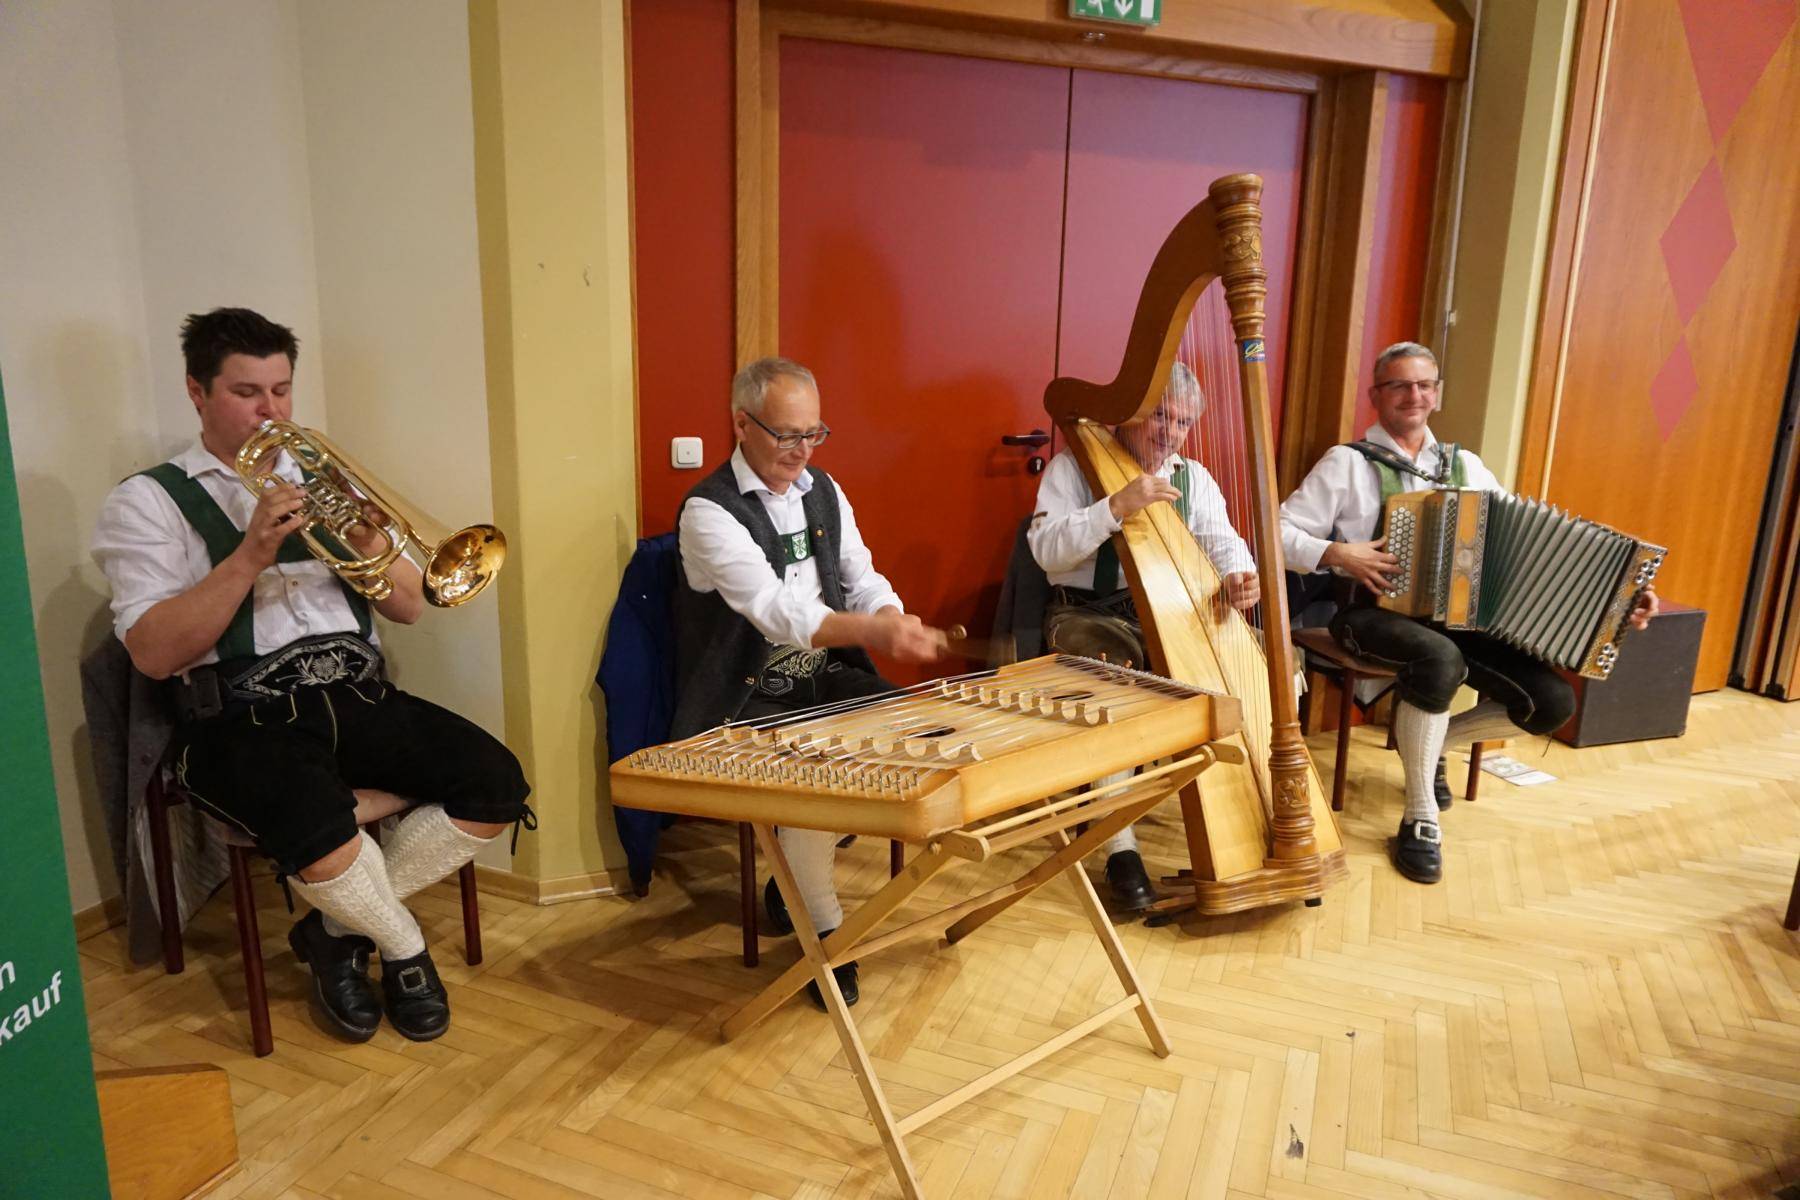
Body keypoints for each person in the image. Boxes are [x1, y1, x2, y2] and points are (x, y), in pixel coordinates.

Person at [92, 308, 530, 1043]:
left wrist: (366, 541)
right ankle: (403, 947)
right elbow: (152, 654)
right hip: (239, 714)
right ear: (196, 392)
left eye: (283, 390)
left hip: (358, 695)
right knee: (315, 821)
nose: (272, 411)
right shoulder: (148, 502)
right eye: (247, 393)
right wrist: (247, 558)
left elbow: (409, 608)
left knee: (497, 782)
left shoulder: (320, 481)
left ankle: (332, 933)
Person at [1279, 341, 1655, 885]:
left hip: (1461, 622)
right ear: (1376, 396)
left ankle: (1431, 746)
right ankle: (1419, 819)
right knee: (1439, 660)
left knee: (1551, 702)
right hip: (1365, 616)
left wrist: (1618, 599)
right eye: (1400, 385)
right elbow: (1276, 530)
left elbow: (1525, 550)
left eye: (1424, 384)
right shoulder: (1348, 462)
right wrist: (1338, 553)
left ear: (1437, 393)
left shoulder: (1468, 466)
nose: (1414, 395)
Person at [672, 356, 949, 1009]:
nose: (801, 451)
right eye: (786, 434)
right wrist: (872, 634)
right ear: (742, 424)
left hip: (821, 673)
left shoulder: (822, 489)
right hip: (746, 691)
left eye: (813, 434)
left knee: (909, 728)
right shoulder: (707, 512)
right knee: (821, 769)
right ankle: (822, 928)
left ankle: (794, 875)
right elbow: (778, 612)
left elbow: (860, 573)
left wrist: (889, 613)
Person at [1026, 362, 1260, 910]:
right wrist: (1116, 507)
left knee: (1251, 668)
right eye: (1159, 416)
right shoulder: (1074, 467)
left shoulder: (1192, 478)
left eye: (1180, 423)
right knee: (1118, 679)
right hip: (1085, 613)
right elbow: (1047, 553)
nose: (1168, 432)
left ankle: (1240, 824)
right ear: (1129, 416)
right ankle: (1120, 847)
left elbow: (1223, 542)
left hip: (1168, 615)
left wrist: (1239, 577)